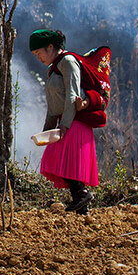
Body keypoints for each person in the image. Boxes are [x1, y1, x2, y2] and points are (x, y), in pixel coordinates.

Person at [30, 28, 98, 214]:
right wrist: (47, 131)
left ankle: (82, 195)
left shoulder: (68, 62)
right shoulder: (55, 68)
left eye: (39, 53)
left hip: (74, 122)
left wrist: (64, 126)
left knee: (60, 161)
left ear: (51, 47)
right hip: (66, 121)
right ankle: (82, 205)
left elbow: (72, 96)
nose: (38, 58)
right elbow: (53, 105)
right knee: (60, 161)